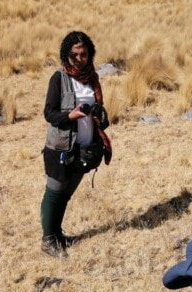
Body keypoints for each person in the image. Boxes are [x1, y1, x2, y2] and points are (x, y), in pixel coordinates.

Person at [40, 31, 112, 257]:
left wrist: (101, 117)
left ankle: (57, 234)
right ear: (66, 55)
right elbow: (49, 114)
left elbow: (100, 109)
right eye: (75, 55)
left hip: (85, 146)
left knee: (66, 193)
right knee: (55, 191)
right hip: (61, 147)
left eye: (84, 54)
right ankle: (48, 240)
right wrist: (69, 116)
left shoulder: (93, 78)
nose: (80, 59)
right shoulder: (59, 78)